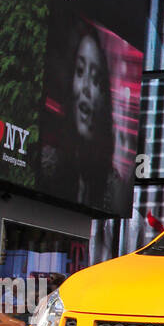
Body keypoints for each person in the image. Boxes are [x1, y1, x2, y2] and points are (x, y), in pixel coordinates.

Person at [40, 23, 122, 211]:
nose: (85, 87)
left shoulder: (111, 186)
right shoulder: (48, 165)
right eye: (79, 71)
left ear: (105, 98)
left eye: (95, 79)